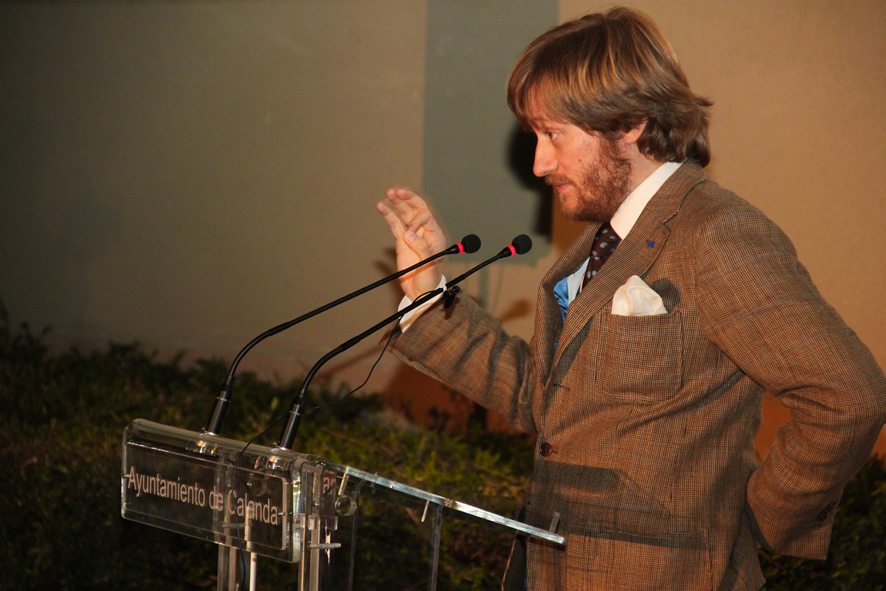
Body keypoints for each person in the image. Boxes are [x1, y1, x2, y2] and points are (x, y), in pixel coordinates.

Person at [376, 7, 886, 590]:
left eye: (554, 135)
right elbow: (544, 402)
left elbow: (850, 395)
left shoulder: (715, 234)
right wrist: (427, 291)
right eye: (535, 137)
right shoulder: (601, 240)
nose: (540, 163)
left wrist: (756, 521)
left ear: (630, 123)